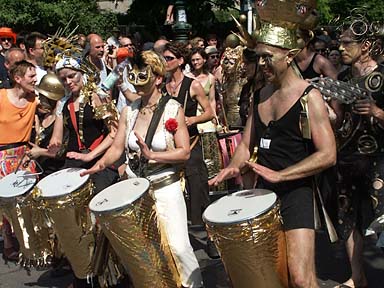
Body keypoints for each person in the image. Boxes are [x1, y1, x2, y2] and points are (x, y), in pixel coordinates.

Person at [209, 4, 337, 287]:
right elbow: (246, 143)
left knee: (302, 279)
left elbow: (328, 154)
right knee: (268, 275)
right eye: (259, 58)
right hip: (263, 193)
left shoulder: (309, 96)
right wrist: (232, 167)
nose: (262, 64)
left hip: (296, 192)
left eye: (268, 58)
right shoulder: (261, 94)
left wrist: (282, 175)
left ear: (289, 56)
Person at [82, 50, 204, 288]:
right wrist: (97, 165)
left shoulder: (172, 109)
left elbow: (184, 152)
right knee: (148, 250)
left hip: (165, 186)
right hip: (136, 189)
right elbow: (117, 147)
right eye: (133, 74)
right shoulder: (130, 110)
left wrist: (153, 155)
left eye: (142, 74)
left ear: (158, 78)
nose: (136, 80)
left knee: (178, 247)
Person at [332, 13, 384, 288]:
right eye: (340, 43)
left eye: (346, 43)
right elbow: (337, 121)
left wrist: (376, 111)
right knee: (348, 218)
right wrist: (326, 108)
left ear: (365, 46)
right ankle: (357, 277)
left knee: (380, 219)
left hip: (379, 159)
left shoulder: (383, 75)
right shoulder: (341, 77)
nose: (340, 48)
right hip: (348, 158)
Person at [163, 42, 214, 226]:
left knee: (198, 187)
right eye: (164, 58)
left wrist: (192, 120)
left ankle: (209, 235)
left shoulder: (193, 85)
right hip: (169, 147)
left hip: (191, 143)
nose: (166, 61)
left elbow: (209, 112)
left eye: (169, 58)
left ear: (180, 61)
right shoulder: (163, 86)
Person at [0, 60, 38, 262]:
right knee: (6, 204)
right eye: (31, 76)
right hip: (2, 155)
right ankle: (8, 244)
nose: (35, 79)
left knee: (27, 202)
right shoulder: (1, 97)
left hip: (24, 154)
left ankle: (30, 245)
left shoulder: (35, 100)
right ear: (18, 79)